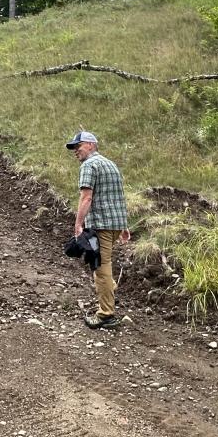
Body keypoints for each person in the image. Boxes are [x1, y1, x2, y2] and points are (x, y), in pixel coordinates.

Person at [67, 130, 130, 329]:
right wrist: (124, 226)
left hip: (101, 225)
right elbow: (117, 196)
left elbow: (86, 197)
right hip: (115, 224)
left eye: (79, 146)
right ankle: (108, 292)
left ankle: (105, 315)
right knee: (105, 266)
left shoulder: (89, 165)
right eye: (74, 148)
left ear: (91, 145)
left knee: (100, 269)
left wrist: (78, 224)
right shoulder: (111, 164)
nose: (76, 151)